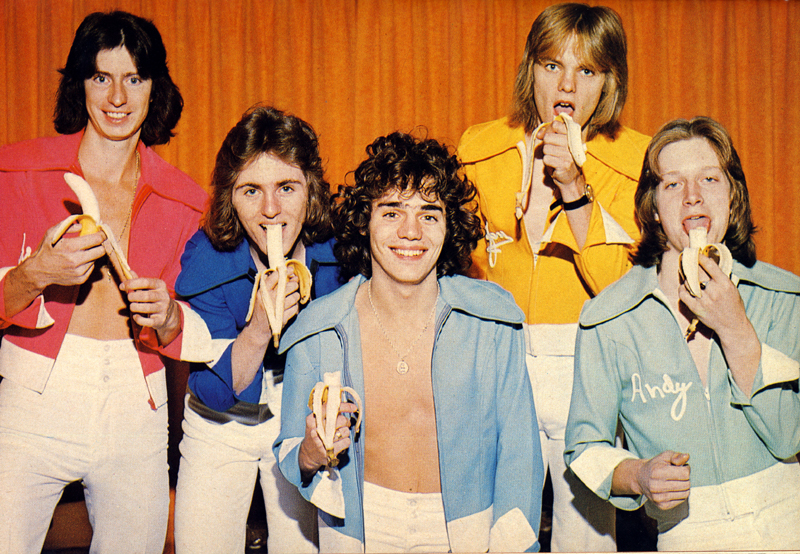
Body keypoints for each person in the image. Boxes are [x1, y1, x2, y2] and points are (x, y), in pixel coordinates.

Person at [273, 131, 543, 553]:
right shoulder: (318, 329)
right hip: (358, 526)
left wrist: (511, 545)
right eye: (392, 212)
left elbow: (520, 456)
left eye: (429, 215)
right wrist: (311, 452)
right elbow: (290, 450)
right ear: (365, 222)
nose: (411, 231)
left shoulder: (492, 322)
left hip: (469, 527)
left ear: (449, 226)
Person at [0, 11, 209, 553]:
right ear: (80, 84)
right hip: (34, 390)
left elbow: (196, 329)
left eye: (134, 79)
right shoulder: (16, 171)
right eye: (101, 77)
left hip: (136, 403)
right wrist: (34, 274)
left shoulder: (187, 201)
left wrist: (169, 317)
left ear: (155, 88)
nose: (117, 97)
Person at [457, 3, 650, 550]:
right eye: (551, 65)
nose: (567, 85)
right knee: (496, 532)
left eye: (586, 70)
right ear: (531, 70)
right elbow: (458, 272)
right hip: (498, 360)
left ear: (608, 81)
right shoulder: (480, 149)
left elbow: (620, 290)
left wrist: (574, 186)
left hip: (586, 362)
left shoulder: (636, 162)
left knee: (585, 537)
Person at [564, 116, 800, 551]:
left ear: (732, 196)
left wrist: (735, 328)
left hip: (787, 521)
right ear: (653, 208)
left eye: (709, 178)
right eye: (672, 184)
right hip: (686, 531)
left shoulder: (783, 297)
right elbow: (585, 448)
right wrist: (638, 474)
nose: (693, 196)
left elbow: (788, 437)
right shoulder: (609, 319)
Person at [173, 105, 341, 553]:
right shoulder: (207, 258)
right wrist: (259, 328)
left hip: (300, 415)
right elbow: (213, 392)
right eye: (251, 191)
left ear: (311, 189)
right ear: (230, 198)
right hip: (220, 423)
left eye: (286, 188)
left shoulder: (338, 255)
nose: (271, 210)